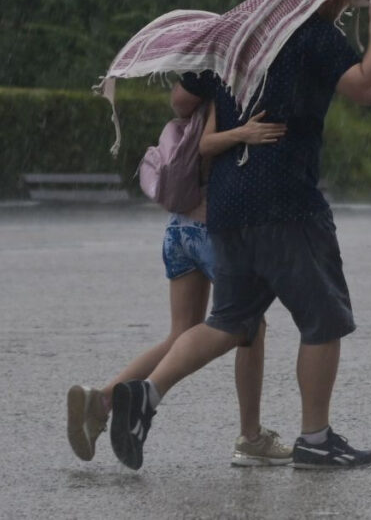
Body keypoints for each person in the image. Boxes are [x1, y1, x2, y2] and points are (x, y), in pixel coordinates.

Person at [106, 0, 371, 471]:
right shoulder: (313, 36)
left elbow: (181, 99)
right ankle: (316, 439)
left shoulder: (238, 34)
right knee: (323, 318)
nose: (343, 8)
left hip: (226, 204)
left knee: (228, 322)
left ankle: (146, 396)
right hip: (287, 202)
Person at [66, 93, 292, 467]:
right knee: (250, 324)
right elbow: (206, 145)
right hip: (209, 232)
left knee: (181, 333)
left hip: (178, 230)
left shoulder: (193, 96)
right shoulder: (226, 91)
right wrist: (245, 132)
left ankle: (102, 400)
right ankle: (251, 438)